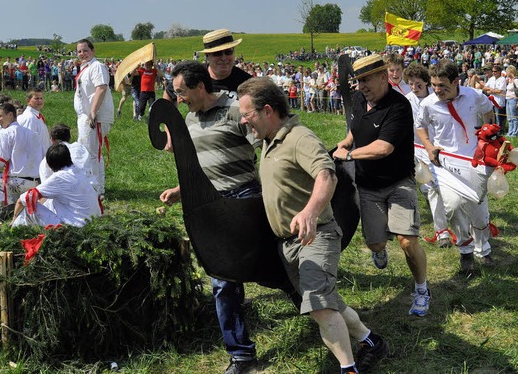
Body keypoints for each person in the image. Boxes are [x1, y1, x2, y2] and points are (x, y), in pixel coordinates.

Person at [238, 77, 389, 374]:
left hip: (316, 235)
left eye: (247, 115)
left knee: (319, 304)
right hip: (289, 243)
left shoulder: (299, 138)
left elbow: (327, 175)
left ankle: (348, 369)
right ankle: (371, 341)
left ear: (268, 110)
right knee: (326, 303)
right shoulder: (269, 140)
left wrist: (309, 211)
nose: (244, 122)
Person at [158, 61, 263, 374]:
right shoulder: (190, 119)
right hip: (212, 203)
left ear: (200, 87)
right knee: (221, 278)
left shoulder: (234, 110)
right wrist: (181, 189)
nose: (179, 99)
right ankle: (241, 354)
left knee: (272, 266)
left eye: (182, 92)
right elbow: (203, 164)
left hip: (246, 198)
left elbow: (267, 147)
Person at [332, 54, 430, 317]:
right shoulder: (360, 100)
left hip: (399, 182)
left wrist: (350, 155)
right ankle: (379, 249)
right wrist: (346, 142)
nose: (361, 85)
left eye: (365, 80)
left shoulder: (398, 106)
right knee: (375, 244)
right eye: (358, 80)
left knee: (407, 242)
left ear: (383, 77)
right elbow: (357, 129)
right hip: (368, 186)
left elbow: (384, 147)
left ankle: (421, 289)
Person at [415, 60, 496, 273]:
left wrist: (487, 134)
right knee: (453, 206)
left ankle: (483, 249)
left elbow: (488, 110)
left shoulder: (473, 95)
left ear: (455, 81)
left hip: (474, 163)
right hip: (445, 165)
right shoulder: (428, 104)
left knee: (478, 211)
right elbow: (420, 126)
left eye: (443, 85)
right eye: (434, 85)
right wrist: (429, 146)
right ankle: (465, 252)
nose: (437, 90)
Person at [404, 62, 452, 248]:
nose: (414, 88)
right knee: (431, 188)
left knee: (444, 188)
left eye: (419, 85)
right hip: (418, 150)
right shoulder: (406, 101)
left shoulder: (438, 99)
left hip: (440, 149)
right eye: (411, 84)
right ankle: (442, 232)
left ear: (427, 83)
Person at [12, 143, 101, 227]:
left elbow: (24, 199)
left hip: (75, 226)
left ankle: (14, 229)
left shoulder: (59, 178)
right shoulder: (78, 171)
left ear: (50, 164)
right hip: (92, 221)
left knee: (29, 206)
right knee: (50, 202)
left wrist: (14, 218)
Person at [0, 103, 42, 220]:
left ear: (10, 115)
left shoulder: (6, 132)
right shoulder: (33, 134)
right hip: (35, 183)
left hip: (17, 183)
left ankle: (8, 204)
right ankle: (15, 201)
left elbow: (1, 160)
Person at [74, 39, 115, 196]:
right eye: (79, 51)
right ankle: (92, 185)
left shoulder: (96, 66)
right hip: (86, 116)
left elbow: (101, 88)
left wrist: (92, 113)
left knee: (91, 153)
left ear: (93, 51)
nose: (82, 54)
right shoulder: (86, 68)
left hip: (95, 117)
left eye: (85, 50)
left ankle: (96, 189)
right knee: (87, 151)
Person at [201, 29, 252, 99]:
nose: (224, 58)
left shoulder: (247, 83)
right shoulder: (196, 77)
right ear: (207, 55)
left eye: (228, 52)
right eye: (217, 53)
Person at [17, 88, 51, 159]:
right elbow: (29, 143)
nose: (40, 101)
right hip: (35, 161)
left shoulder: (36, 116)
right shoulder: (30, 118)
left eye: (41, 98)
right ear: (28, 101)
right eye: (36, 98)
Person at [504, 65, 518, 137]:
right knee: (509, 117)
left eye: (507, 72)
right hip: (508, 99)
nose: (506, 73)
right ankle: (510, 131)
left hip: (513, 99)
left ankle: (515, 132)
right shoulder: (508, 81)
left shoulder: (516, 80)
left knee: (514, 117)